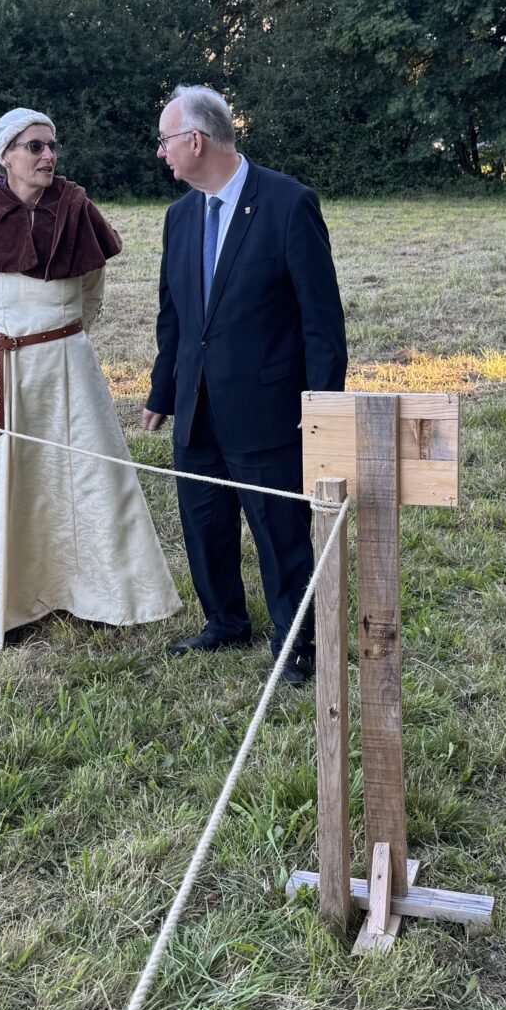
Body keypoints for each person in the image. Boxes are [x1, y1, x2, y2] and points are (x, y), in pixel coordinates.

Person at [0, 108, 181, 647]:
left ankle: (100, 593)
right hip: (1, 370)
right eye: (34, 146)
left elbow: (91, 292)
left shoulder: (76, 209)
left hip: (68, 367)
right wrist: (9, 338)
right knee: (3, 481)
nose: (48, 155)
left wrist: (58, 339)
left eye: (51, 146)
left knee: (86, 480)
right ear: (5, 156)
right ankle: (8, 596)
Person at [142, 85, 346, 685]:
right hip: (196, 405)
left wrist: (322, 406)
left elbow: (322, 321)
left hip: (269, 408)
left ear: (196, 141)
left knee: (280, 532)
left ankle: (297, 641)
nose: (160, 153)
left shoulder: (288, 204)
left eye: (165, 140)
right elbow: (174, 317)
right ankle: (224, 622)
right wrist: (162, 390)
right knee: (204, 523)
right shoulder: (180, 217)